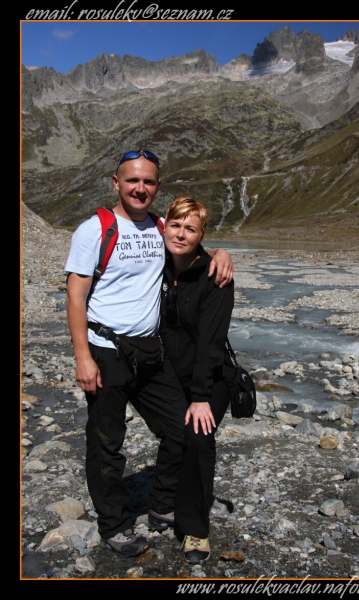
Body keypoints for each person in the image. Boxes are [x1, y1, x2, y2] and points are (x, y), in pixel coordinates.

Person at [65, 150, 233, 557]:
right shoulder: (95, 230)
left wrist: (222, 255)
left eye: (148, 182)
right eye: (132, 180)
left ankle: (161, 504)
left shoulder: (159, 226)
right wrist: (83, 357)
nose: (140, 188)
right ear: (116, 183)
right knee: (106, 443)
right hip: (106, 351)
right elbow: (75, 296)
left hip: (150, 351)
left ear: (157, 187)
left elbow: (189, 244)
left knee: (181, 431)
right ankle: (115, 524)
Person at [160, 196, 234, 564]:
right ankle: (162, 499)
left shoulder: (215, 276)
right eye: (175, 225)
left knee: (198, 436)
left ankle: (194, 527)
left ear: (201, 234)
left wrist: (201, 396)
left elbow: (210, 342)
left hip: (210, 376)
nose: (181, 234)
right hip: (168, 372)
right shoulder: (154, 264)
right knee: (174, 431)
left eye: (190, 229)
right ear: (164, 226)